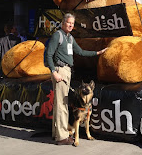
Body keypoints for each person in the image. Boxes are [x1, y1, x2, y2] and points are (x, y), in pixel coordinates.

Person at [45, 13, 108, 146]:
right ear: (63, 23)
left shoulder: (70, 38)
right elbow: (49, 55)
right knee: (62, 104)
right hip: (59, 70)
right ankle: (62, 137)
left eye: (72, 24)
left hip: (67, 70)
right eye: (68, 23)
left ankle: (56, 133)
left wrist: (98, 53)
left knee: (60, 103)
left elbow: (81, 52)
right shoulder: (58, 35)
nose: (70, 25)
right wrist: (53, 72)